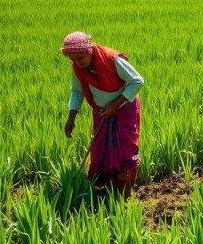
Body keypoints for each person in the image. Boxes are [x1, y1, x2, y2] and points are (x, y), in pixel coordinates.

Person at [62, 31, 145, 199]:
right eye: (73, 60)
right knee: (102, 149)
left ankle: (124, 196)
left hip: (124, 111)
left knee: (124, 152)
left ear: (89, 50)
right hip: (102, 113)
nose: (78, 63)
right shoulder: (78, 67)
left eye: (80, 58)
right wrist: (72, 116)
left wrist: (115, 104)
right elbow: (77, 91)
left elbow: (137, 80)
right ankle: (105, 190)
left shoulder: (111, 59)